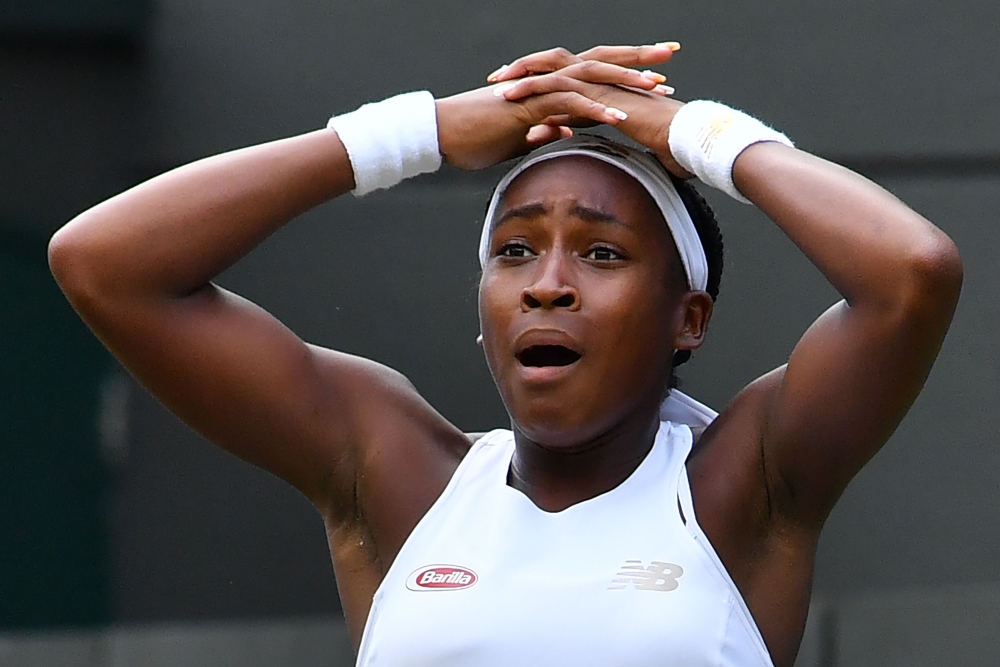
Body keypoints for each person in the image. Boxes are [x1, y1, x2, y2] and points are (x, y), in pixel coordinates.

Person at [48, 42, 962, 667]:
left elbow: (911, 272)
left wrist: (690, 132)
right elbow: (105, 265)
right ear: (483, 308)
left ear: (689, 318)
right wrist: (421, 133)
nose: (547, 283)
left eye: (601, 253)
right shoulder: (398, 475)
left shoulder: (743, 484)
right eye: (515, 250)